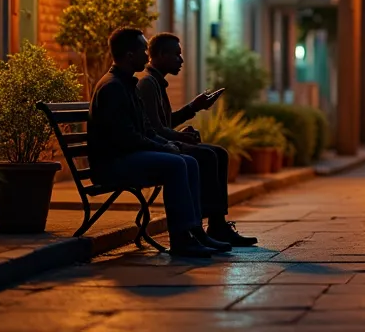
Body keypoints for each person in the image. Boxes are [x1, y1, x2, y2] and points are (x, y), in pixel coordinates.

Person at [87, 28, 231, 258]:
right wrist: (164, 146)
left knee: (188, 161)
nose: (147, 55)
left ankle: (194, 231)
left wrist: (166, 144)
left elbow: (145, 129)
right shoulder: (113, 87)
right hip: (113, 163)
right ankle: (181, 238)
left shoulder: (127, 84)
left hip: (127, 155)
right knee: (177, 164)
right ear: (129, 55)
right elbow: (126, 137)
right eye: (143, 49)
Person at [137, 33, 258, 247]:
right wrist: (180, 137)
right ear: (162, 55)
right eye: (177, 55)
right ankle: (199, 228)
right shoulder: (147, 84)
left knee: (219, 153)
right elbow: (154, 129)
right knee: (206, 155)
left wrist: (193, 108)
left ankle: (217, 225)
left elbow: (165, 123)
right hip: (156, 148)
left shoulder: (156, 82)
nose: (181, 60)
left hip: (162, 143)